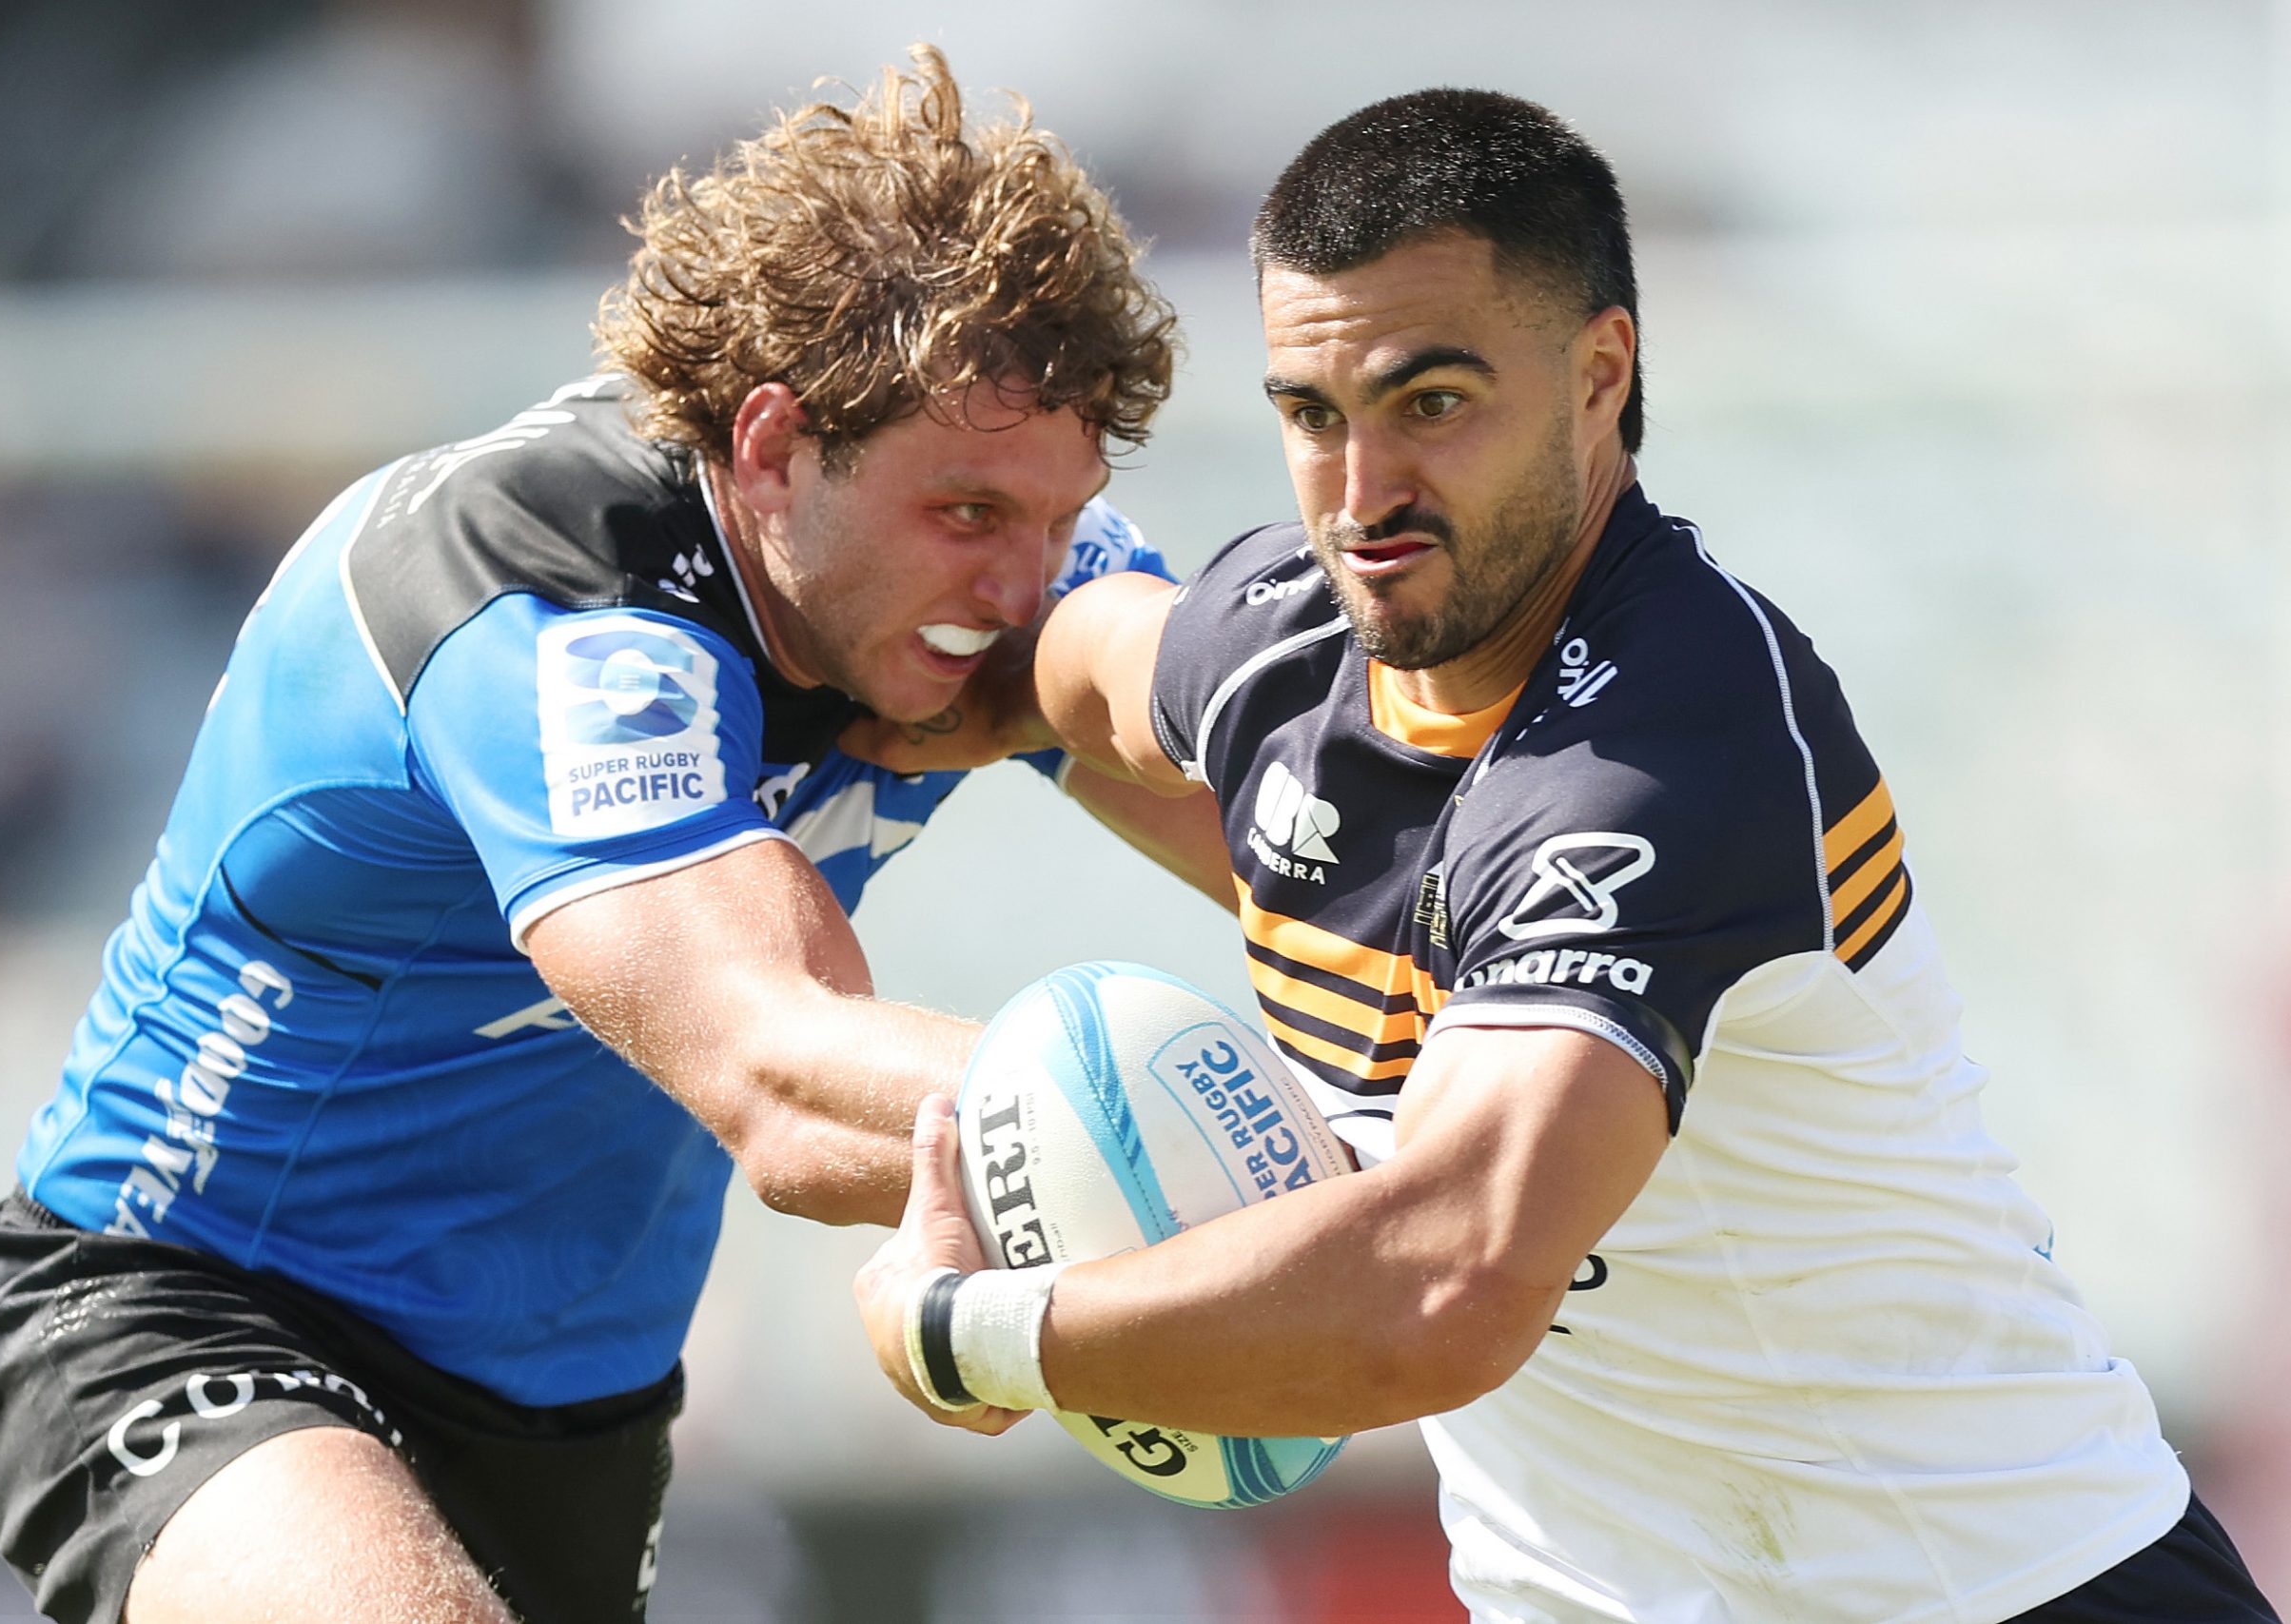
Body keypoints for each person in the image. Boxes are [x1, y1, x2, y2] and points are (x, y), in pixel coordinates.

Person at [854, 88, 2281, 1622]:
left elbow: (1446, 1281)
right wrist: (858, 674)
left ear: (1603, 374)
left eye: (1434, 402)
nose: (1361, 497)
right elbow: (1062, 671)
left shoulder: (1667, 747)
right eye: (1310, 414)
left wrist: (973, 1335)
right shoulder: (1285, 643)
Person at [0, 47, 1219, 1624]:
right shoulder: (548, 600)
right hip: (197, 1304)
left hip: (576, 1410)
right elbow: (777, 1069)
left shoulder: (987, 546)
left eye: (1060, 515)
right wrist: (1234, 1147)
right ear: (770, 448)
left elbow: (1282, 843)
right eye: (970, 518)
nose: (1023, 582)